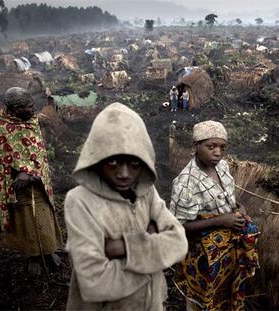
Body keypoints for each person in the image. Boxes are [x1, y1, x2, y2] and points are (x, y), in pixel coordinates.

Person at [64, 103, 188, 310]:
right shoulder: (80, 201)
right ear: (97, 160)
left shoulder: (146, 193)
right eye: (113, 162)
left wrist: (123, 247)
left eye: (134, 164)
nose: (124, 174)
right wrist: (153, 251)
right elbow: (95, 282)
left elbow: (179, 242)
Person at [170, 120, 260, 311]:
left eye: (222, 147)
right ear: (196, 146)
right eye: (211, 146)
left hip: (227, 253)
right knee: (202, 303)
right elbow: (179, 227)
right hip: (202, 258)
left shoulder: (222, 168)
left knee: (227, 296)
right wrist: (222, 220)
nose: (217, 152)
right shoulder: (186, 183)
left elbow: (228, 199)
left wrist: (239, 208)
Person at [0, 87, 63, 275]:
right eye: (28, 107)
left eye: (32, 105)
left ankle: (49, 250)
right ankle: (34, 255)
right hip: (11, 183)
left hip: (38, 181)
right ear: (14, 109)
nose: (33, 110)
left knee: (44, 211)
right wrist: (17, 171)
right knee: (24, 217)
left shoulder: (31, 121)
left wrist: (30, 172)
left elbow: (37, 152)